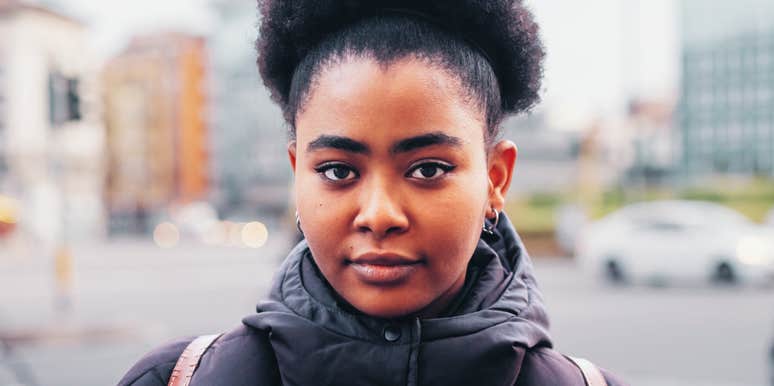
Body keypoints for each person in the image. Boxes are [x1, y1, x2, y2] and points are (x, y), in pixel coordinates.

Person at [118, 1, 628, 385]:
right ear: (298, 174)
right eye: (339, 171)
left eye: (427, 169)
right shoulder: (176, 380)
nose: (379, 215)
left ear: (496, 179)